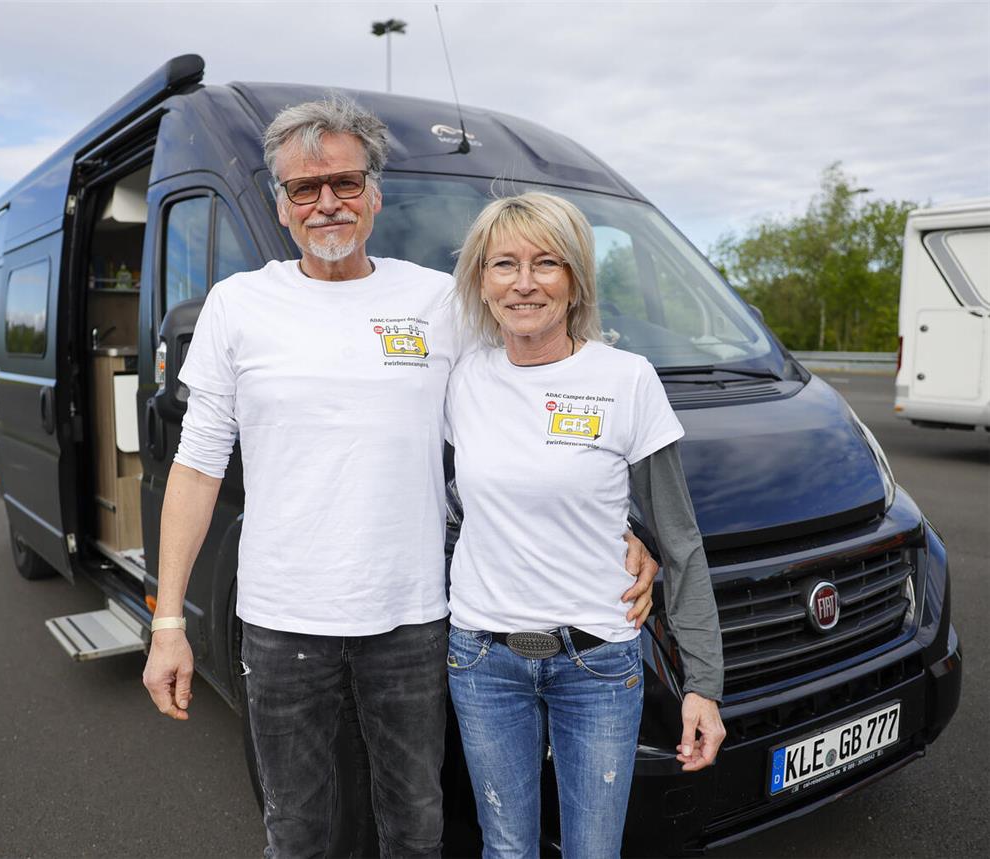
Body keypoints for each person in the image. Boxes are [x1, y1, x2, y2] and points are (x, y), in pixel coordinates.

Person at [140, 97, 658, 857]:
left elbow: (527, 405)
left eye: (345, 183)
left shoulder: (436, 302)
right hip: (282, 623)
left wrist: (624, 526)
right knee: (299, 830)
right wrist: (168, 623)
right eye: (303, 189)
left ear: (376, 193)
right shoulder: (238, 306)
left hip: (412, 621)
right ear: (280, 205)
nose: (326, 204)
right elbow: (195, 466)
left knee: (417, 825)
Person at [445, 192, 726, 858]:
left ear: (575, 281)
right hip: (483, 657)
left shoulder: (625, 379)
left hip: (598, 661)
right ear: (481, 283)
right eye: (503, 264)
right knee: (505, 848)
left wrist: (704, 686)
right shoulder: (460, 378)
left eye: (546, 262)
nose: (524, 282)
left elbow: (680, 541)